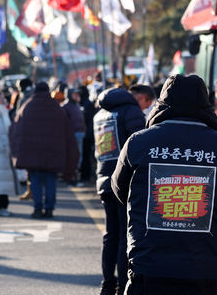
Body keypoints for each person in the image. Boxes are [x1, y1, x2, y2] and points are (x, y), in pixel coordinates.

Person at [112, 75, 217, 295]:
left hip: (148, 267)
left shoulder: (138, 143)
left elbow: (119, 190)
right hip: (204, 271)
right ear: (204, 104)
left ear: (162, 103)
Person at [94, 87, 146, 295]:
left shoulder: (100, 114)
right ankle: (124, 283)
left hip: (104, 179)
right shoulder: (131, 111)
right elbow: (140, 144)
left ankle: (107, 284)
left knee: (110, 235)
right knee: (126, 236)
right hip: (125, 182)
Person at [9, 82, 79, 218]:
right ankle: (49, 209)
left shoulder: (27, 106)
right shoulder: (55, 107)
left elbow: (16, 128)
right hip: (53, 152)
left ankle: (37, 208)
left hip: (32, 152)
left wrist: (18, 151)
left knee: (34, 180)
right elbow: (67, 131)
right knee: (50, 181)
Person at [61, 86, 86, 183]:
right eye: (75, 94)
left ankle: (74, 175)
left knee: (78, 156)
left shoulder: (76, 106)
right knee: (73, 156)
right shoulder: (66, 107)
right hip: (73, 135)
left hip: (79, 134)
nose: (77, 95)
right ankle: (71, 176)